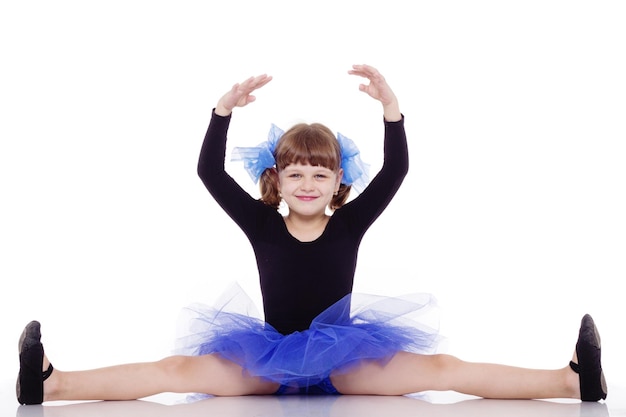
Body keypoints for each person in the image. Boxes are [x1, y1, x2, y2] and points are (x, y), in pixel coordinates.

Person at [16, 64, 607, 405]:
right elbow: (206, 172)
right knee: (174, 372)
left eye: (318, 173)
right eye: (294, 173)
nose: (306, 183)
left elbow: (397, 170)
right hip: (267, 357)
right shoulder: (260, 224)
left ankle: (569, 378)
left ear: (337, 181)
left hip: (346, 359)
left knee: (441, 368)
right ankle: (53, 382)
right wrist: (221, 112)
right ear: (276, 179)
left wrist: (393, 111)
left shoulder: (350, 221)